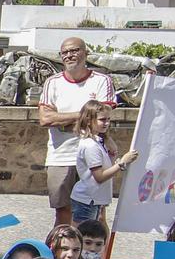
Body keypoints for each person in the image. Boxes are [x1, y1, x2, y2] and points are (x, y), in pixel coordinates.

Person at [37, 37, 117, 229]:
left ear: (85, 53)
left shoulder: (102, 81)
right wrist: (85, 116)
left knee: (96, 214)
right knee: (62, 212)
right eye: (64, 52)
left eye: (74, 50)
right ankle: (61, 256)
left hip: (93, 154)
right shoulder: (52, 83)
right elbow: (45, 119)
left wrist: (62, 119)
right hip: (60, 155)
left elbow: (103, 116)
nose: (69, 55)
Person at [70, 100, 136, 226]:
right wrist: (122, 163)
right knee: (82, 235)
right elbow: (99, 177)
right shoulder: (91, 145)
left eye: (108, 119)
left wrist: (113, 154)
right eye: (102, 119)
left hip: (92, 198)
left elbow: (105, 168)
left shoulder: (97, 142)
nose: (107, 123)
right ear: (89, 121)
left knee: (90, 233)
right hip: (88, 198)